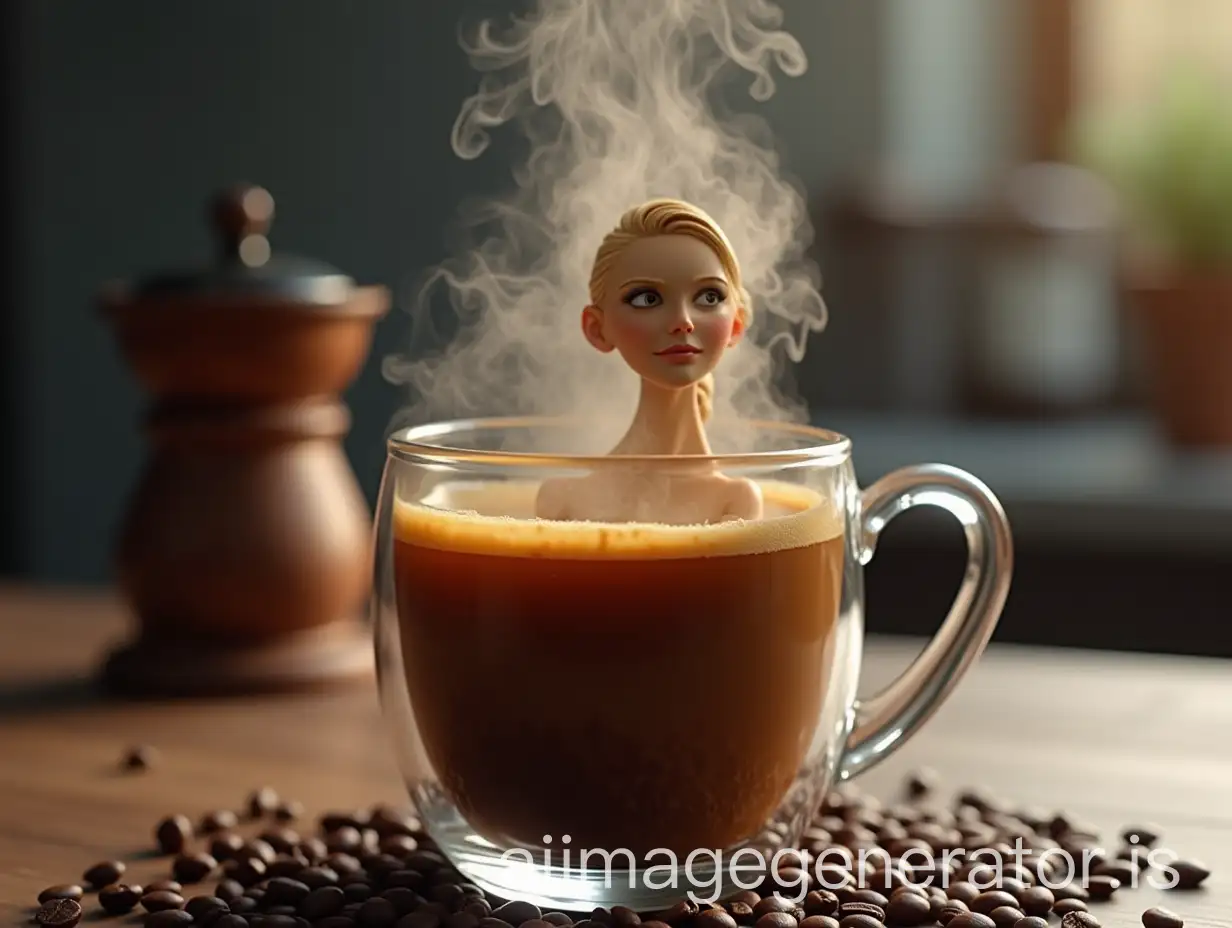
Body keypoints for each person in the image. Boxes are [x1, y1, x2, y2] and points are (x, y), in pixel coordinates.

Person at [535, 197, 764, 525]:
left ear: (736, 326)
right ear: (597, 329)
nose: (683, 321)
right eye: (647, 299)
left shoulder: (736, 501)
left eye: (709, 297)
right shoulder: (561, 499)